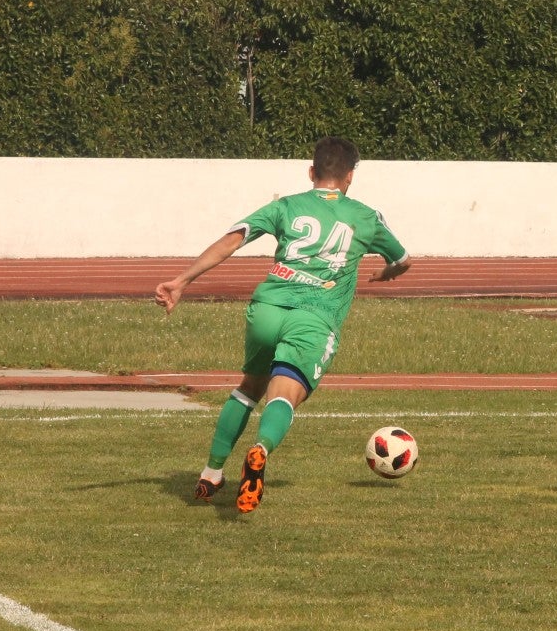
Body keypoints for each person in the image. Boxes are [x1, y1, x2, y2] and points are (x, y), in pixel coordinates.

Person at [155, 136, 410, 513]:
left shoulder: (286, 206)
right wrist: (385, 274)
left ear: (312, 171)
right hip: (314, 317)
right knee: (284, 394)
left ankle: (210, 474)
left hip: (267, 309)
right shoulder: (366, 216)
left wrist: (181, 281)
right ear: (351, 177)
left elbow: (233, 239)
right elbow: (404, 260)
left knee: (248, 387)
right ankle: (260, 450)